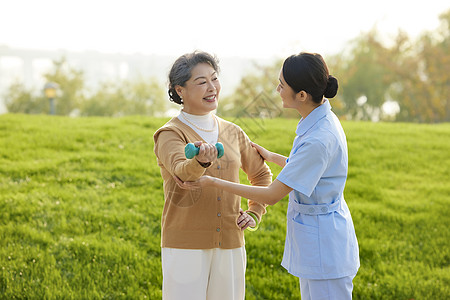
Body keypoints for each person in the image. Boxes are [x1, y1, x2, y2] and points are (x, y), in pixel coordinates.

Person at [176, 52, 360, 300]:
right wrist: (272, 156)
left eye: (282, 85)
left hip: (325, 247)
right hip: (320, 242)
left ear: (302, 96)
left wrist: (211, 181)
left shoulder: (319, 138)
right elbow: (311, 169)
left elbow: (272, 194)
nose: (277, 89)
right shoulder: (321, 119)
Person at [153, 51, 272, 300]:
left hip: (230, 241)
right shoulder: (170, 134)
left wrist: (255, 212)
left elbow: (261, 175)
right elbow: (182, 171)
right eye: (201, 81)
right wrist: (201, 161)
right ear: (180, 90)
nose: (212, 87)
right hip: (184, 244)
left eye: (214, 78)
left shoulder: (233, 132)